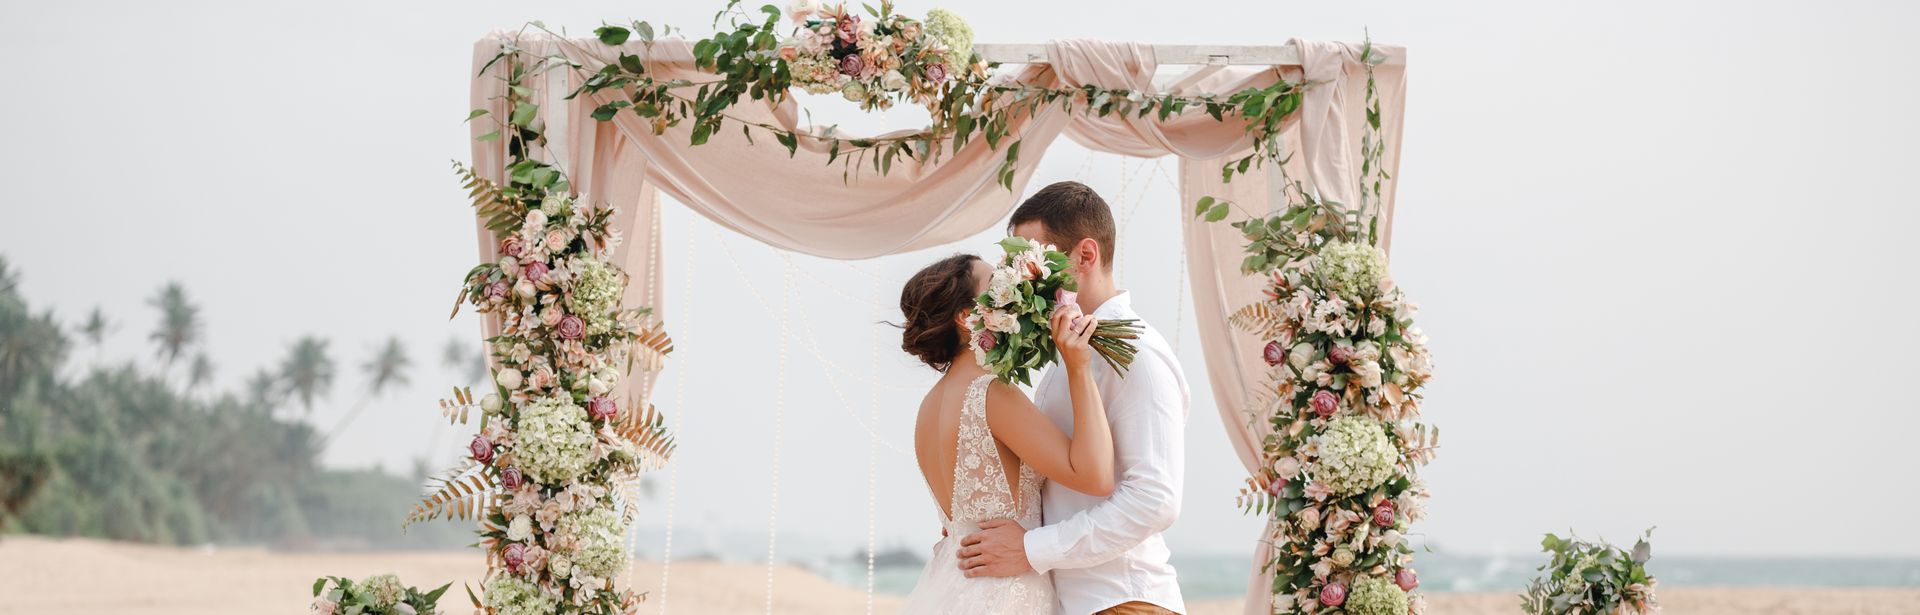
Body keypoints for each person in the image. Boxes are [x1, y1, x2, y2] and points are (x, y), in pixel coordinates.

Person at [956, 181, 1191, 615]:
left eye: (1034, 263)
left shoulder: (1137, 355)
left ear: (1085, 256)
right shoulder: (1070, 353)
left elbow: (1155, 500)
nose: (1022, 280)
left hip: (1124, 600)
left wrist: (1032, 548)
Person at [896, 250, 1115, 614]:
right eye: (994, 282)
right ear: (966, 317)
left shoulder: (928, 406)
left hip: (954, 582)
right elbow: (1096, 476)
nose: (1009, 286)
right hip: (1004, 591)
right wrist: (1078, 367)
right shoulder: (990, 393)